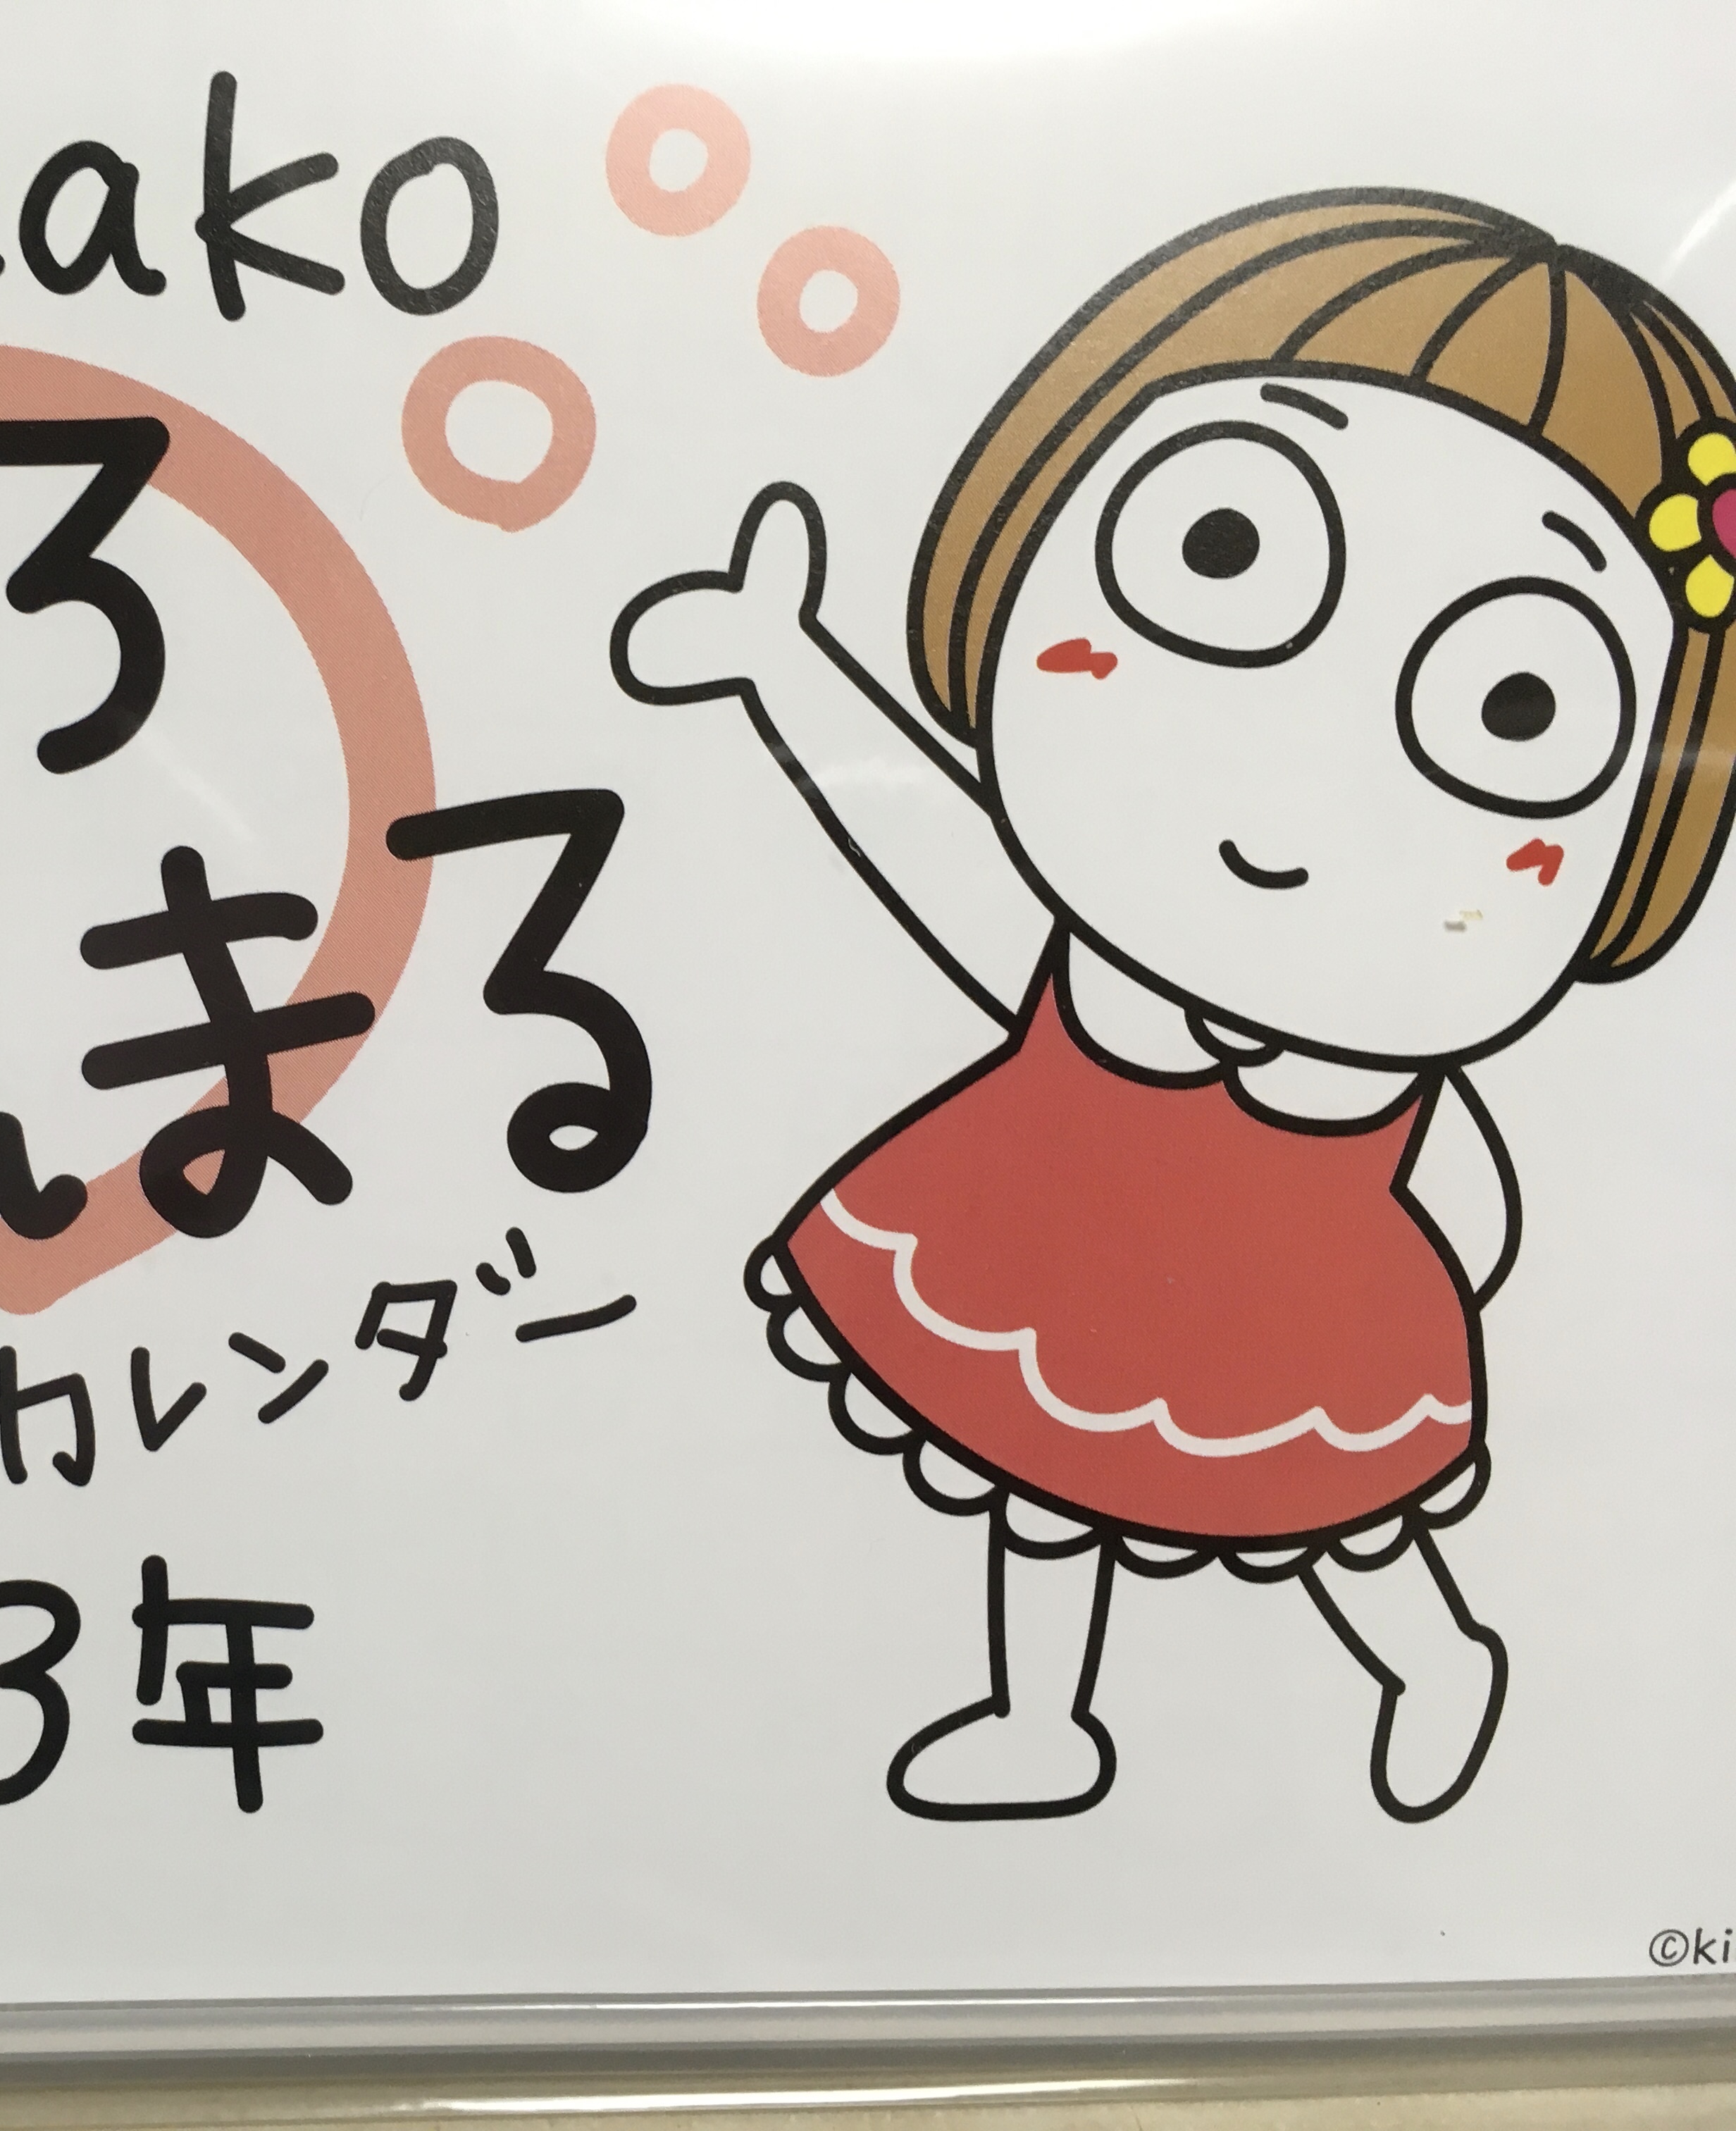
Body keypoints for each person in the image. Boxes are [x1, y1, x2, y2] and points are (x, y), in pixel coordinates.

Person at [612, 189, 1736, 1822]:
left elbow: (1480, 1215)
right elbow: (936, 862)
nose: (1292, 780)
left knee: (1353, 1527)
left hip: (1306, 1317)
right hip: (1050, 1254)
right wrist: (784, 662)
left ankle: (1435, 1658)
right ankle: (1041, 1719)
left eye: (1518, 704)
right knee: (1033, 1477)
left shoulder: (1376, 1051)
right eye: (1222, 550)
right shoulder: (1096, 963)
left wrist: (1399, 1266)